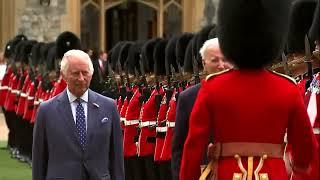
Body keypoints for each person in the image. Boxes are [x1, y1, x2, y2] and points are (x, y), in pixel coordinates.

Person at [180, 0, 318, 179]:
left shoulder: (213, 87)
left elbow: (193, 147)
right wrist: (299, 166)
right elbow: (305, 149)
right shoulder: (287, 88)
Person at [32, 49, 125, 180]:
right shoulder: (46, 110)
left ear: (91, 75)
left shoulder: (109, 107)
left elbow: (116, 159)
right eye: (75, 73)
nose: (81, 78)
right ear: (64, 76)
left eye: (85, 73)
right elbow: (39, 160)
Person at [171, 37, 231, 180]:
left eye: (225, 60)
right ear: (204, 64)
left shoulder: (243, 92)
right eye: (215, 60)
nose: (221, 65)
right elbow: (179, 147)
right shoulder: (187, 97)